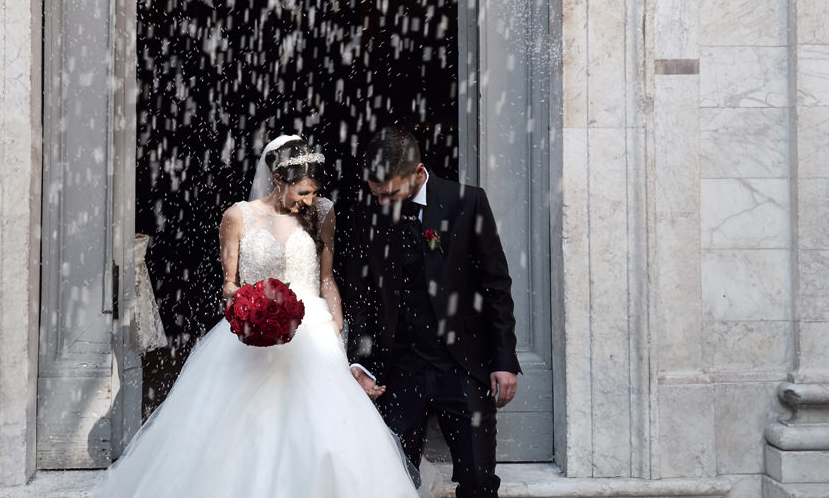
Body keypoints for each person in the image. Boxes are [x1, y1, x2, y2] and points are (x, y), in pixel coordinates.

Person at [91, 134, 419, 498]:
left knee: (323, 427)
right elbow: (228, 284)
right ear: (278, 180)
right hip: (254, 331)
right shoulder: (238, 216)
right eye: (302, 193)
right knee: (240, 429)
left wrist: (336, 323)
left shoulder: (323, 212)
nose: (309, 201)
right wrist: (251, 307)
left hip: (312, 333)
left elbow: (325, 278)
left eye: (313, 192)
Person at [340, 126, 520, 498]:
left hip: (463, 365)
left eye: (391, 193)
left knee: (478, 480)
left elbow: (496, 288)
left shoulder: (466, 203)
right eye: (377, 194)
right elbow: (360, 297)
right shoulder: (367, 212)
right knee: (393, 480)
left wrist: (503, 359)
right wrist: (359, 362)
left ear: (418, 173)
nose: (383, 202)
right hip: (398, 369)